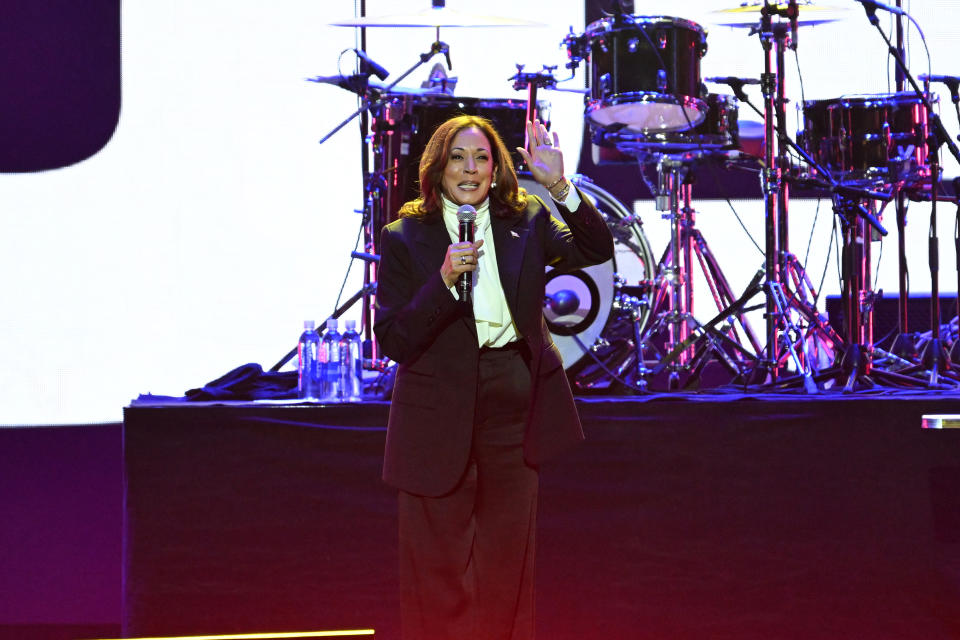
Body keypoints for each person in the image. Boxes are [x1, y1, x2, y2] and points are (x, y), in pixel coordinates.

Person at [373, 114, 614, 640]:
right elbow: (393, 339)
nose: (470, 168)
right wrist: (442, 280)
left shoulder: (523, 217)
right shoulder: (404, 236)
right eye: (458, 157)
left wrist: (557, 184)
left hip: (511, 400)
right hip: (437, 407)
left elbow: (596, 252)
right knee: (436, 572)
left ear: (496, 168)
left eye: (482, 158)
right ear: (437, 168)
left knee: (507, 567)